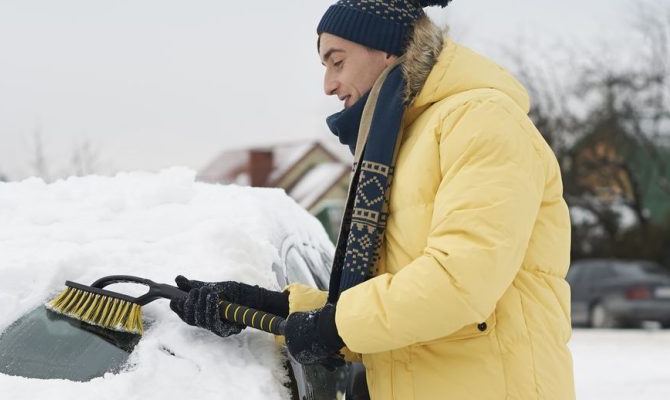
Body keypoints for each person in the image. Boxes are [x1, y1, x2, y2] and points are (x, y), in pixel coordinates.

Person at [169, 1, 576, 398]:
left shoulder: (480, 120)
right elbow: (385, 311)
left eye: (337, 61)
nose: (328, 84)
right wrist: (269, 305)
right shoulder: (399, 145)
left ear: (386, 49)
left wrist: (334, 325)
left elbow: (461, 282)